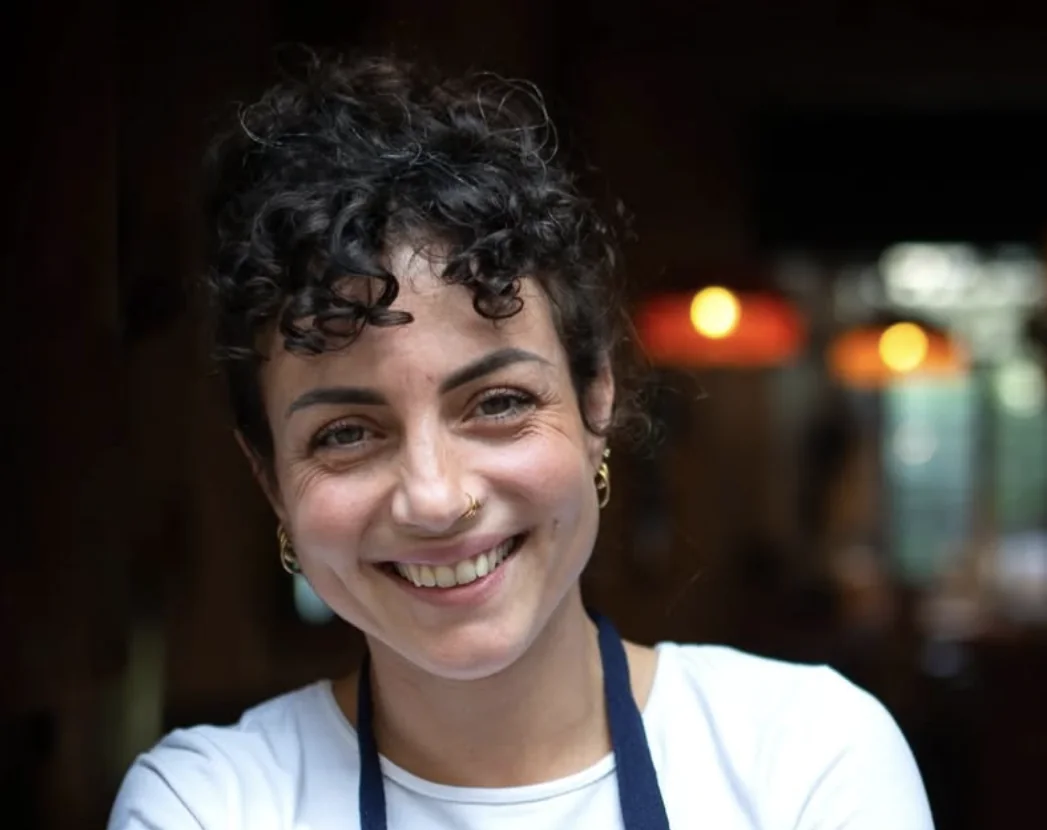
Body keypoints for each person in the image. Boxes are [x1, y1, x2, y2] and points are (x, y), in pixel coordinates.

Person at [108, 52, 934, 829]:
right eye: (347, 432)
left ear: (595, 401)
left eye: (498, 402)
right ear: (270, 479)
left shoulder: (808, 757)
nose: (435, 498)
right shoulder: (209, 804)